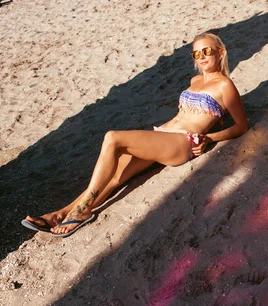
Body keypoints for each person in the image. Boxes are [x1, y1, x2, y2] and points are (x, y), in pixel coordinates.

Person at [21, 33, 248, 237]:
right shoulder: (195, 81)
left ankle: (80, 211)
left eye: (207, 51)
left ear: (220, 52)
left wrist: (209, 138)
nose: (201, 57)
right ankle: (60, 214)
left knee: (113, 138)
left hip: (181, 143)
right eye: (196, 53)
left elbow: (241, 126)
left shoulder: (225, 85)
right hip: (163, 135)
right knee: (114, 177)